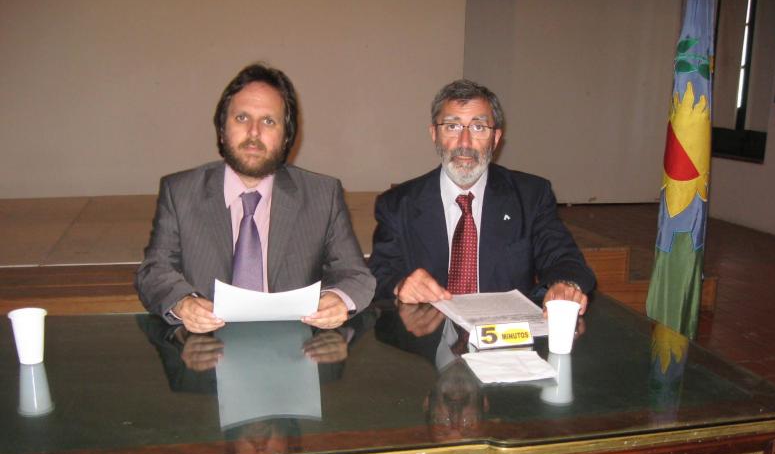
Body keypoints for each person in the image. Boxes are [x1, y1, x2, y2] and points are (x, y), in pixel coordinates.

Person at [135, 64, 375, 333]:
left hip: (295, 354)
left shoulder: (322, 195)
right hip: (204, 356)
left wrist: (338, 299)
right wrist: (182, 303)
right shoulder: (180, 192)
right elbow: (154, 271)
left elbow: (355, 275)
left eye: (268, 121)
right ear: (221, 130)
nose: (253, 133)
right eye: (241, 118)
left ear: (287, 137)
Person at [369, 79, 594, 314]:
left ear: (496, 138)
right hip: (427, 340)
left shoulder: (530, 196)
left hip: (506, 340)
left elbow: (562, 256)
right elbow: (379, 272)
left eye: (478, 127)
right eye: (452, 126)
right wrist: (400, 284)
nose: (464, 143)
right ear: (434, 134)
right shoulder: (397, 204)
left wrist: (565, 284)